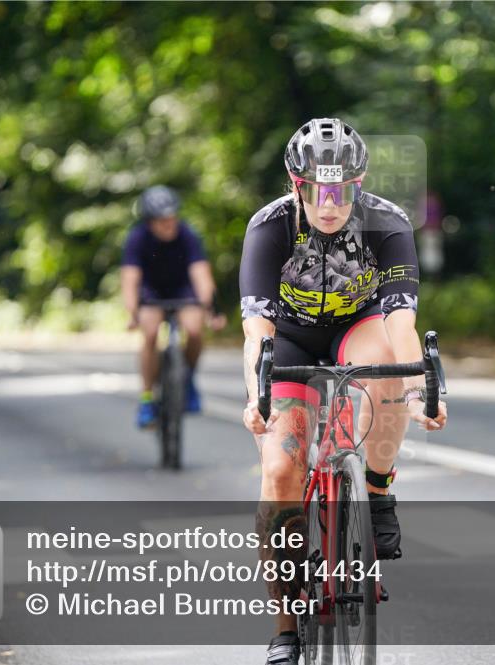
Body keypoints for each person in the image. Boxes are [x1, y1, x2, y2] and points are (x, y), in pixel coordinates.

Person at [238, 118, 448, 663]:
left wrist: (423, 387)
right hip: (289, 340)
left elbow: (402, 324)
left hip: (357, 330)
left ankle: (376, 490)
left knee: (387, 367)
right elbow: (256, 333)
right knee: (281, 470)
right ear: (296, 184)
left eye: (343, 190)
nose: (330, 204)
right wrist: (255, 395)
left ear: (360, 184)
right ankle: (285, 629)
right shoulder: (270, 227)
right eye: (317, 190)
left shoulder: (388, 224)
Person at [121, 185, 224, 427]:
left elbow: (201, 275)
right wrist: (133, 313)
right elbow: (130, 279)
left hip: (182, 288)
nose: (169, 225)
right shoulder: (137, 238)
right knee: (149, 332)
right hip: (151, 291)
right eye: (161, 221)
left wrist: (213, 310)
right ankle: (147, 398)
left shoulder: (188, 235)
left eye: (171, 218)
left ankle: (187, 378)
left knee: (196, 330)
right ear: (149, 222)